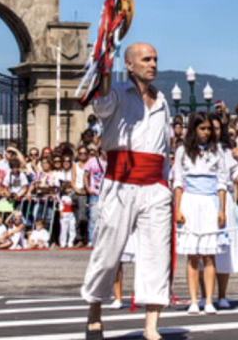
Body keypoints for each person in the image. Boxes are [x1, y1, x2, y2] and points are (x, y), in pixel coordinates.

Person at [81, 42, 172, 340]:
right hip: (120, 182)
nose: (153, 64)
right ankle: (95, 309)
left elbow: (165, 150)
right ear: (129, 64)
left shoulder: (162, 101)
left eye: (155, 59)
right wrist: (104, 63)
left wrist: (166, 185)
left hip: (155, 186)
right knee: (108, 253)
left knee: (158, 255)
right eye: (146, 59)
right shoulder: (117, 92)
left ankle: (151, 325)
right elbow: (101, 101)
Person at [172, 112, 229, 314]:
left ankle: (210, 300)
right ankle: (194, 299)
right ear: (194, 129)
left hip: (210, 202)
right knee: (193, 255)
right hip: (190, 202)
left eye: (209, 129)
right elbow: (178, 182)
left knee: (209, 255)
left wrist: (222, 210)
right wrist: (177, 208)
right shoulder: (182, 151)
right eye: (202, 128)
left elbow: (222, 182)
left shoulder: (218, 151)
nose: (206, 133)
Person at [212, 115, 238, 309]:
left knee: (224, 249)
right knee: (204, 249)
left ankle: (222, 295)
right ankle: (205, 294)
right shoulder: (196, 151)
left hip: (224, 199)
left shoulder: (227, 152)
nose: (214, 132)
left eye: (218, 128)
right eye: (211, 128)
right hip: (204, 197)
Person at [59, 183, 78, 248]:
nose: (69, 190)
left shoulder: (73, 196)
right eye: (67, 188)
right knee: (64, 229)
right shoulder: (63, 197)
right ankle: (63, 243)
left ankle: (70, 242)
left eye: (70, 188)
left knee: (72, 228)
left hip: (71, 213)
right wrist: (61, 212)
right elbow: (61, 205)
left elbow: (75, 203)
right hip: (65, 213)